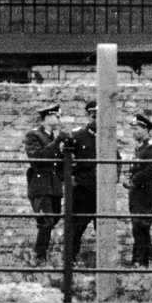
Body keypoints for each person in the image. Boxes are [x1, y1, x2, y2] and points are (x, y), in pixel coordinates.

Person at [23, 103, 65, 262]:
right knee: (45, 222)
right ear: (47, 117)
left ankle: (40, 254)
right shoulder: (34, 135)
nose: (59, 119)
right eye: (57, 116)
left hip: (53, 185)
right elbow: (38, 158)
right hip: (40, 185)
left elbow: (58, 162)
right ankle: (39, 257)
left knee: (53, 219)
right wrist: (56, 143)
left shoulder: (52, 137)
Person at [122, 113, 152, 267]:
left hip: (145, 195)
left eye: (137, 129)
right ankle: (143, 261)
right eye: (133, 129)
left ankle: (142, 261)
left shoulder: (151, 148)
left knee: (141, 228)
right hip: (137, 195)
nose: (134, 132)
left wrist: (134, 180)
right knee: (138, 229)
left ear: (146, 130)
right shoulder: (138, 149)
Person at [65, 100, 99, 262]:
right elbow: (67, 159)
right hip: (83, 190)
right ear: (89, 116)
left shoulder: (108, 136)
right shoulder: (78, 135)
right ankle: (70, 260)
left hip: (101, 190)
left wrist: (113, 180)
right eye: (93, 116)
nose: (96, 120)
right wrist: (73, 180)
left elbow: (117, 159)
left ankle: (104, 263)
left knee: (103, 227)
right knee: (76, 227)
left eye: (99, 116)